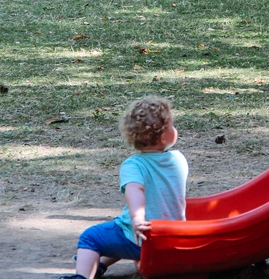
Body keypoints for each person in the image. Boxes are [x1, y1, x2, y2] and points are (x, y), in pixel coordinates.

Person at [59, 95, 188, 279]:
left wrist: (137, 218)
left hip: (143, 238)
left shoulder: (133, 164)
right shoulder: (179, 160)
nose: (175, 129)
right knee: (119, 227)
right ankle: (100, 265)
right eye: (172, 125)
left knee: (91, 237)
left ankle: (83, 276)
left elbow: (135, 190)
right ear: (162, 137)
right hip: (173, 237)